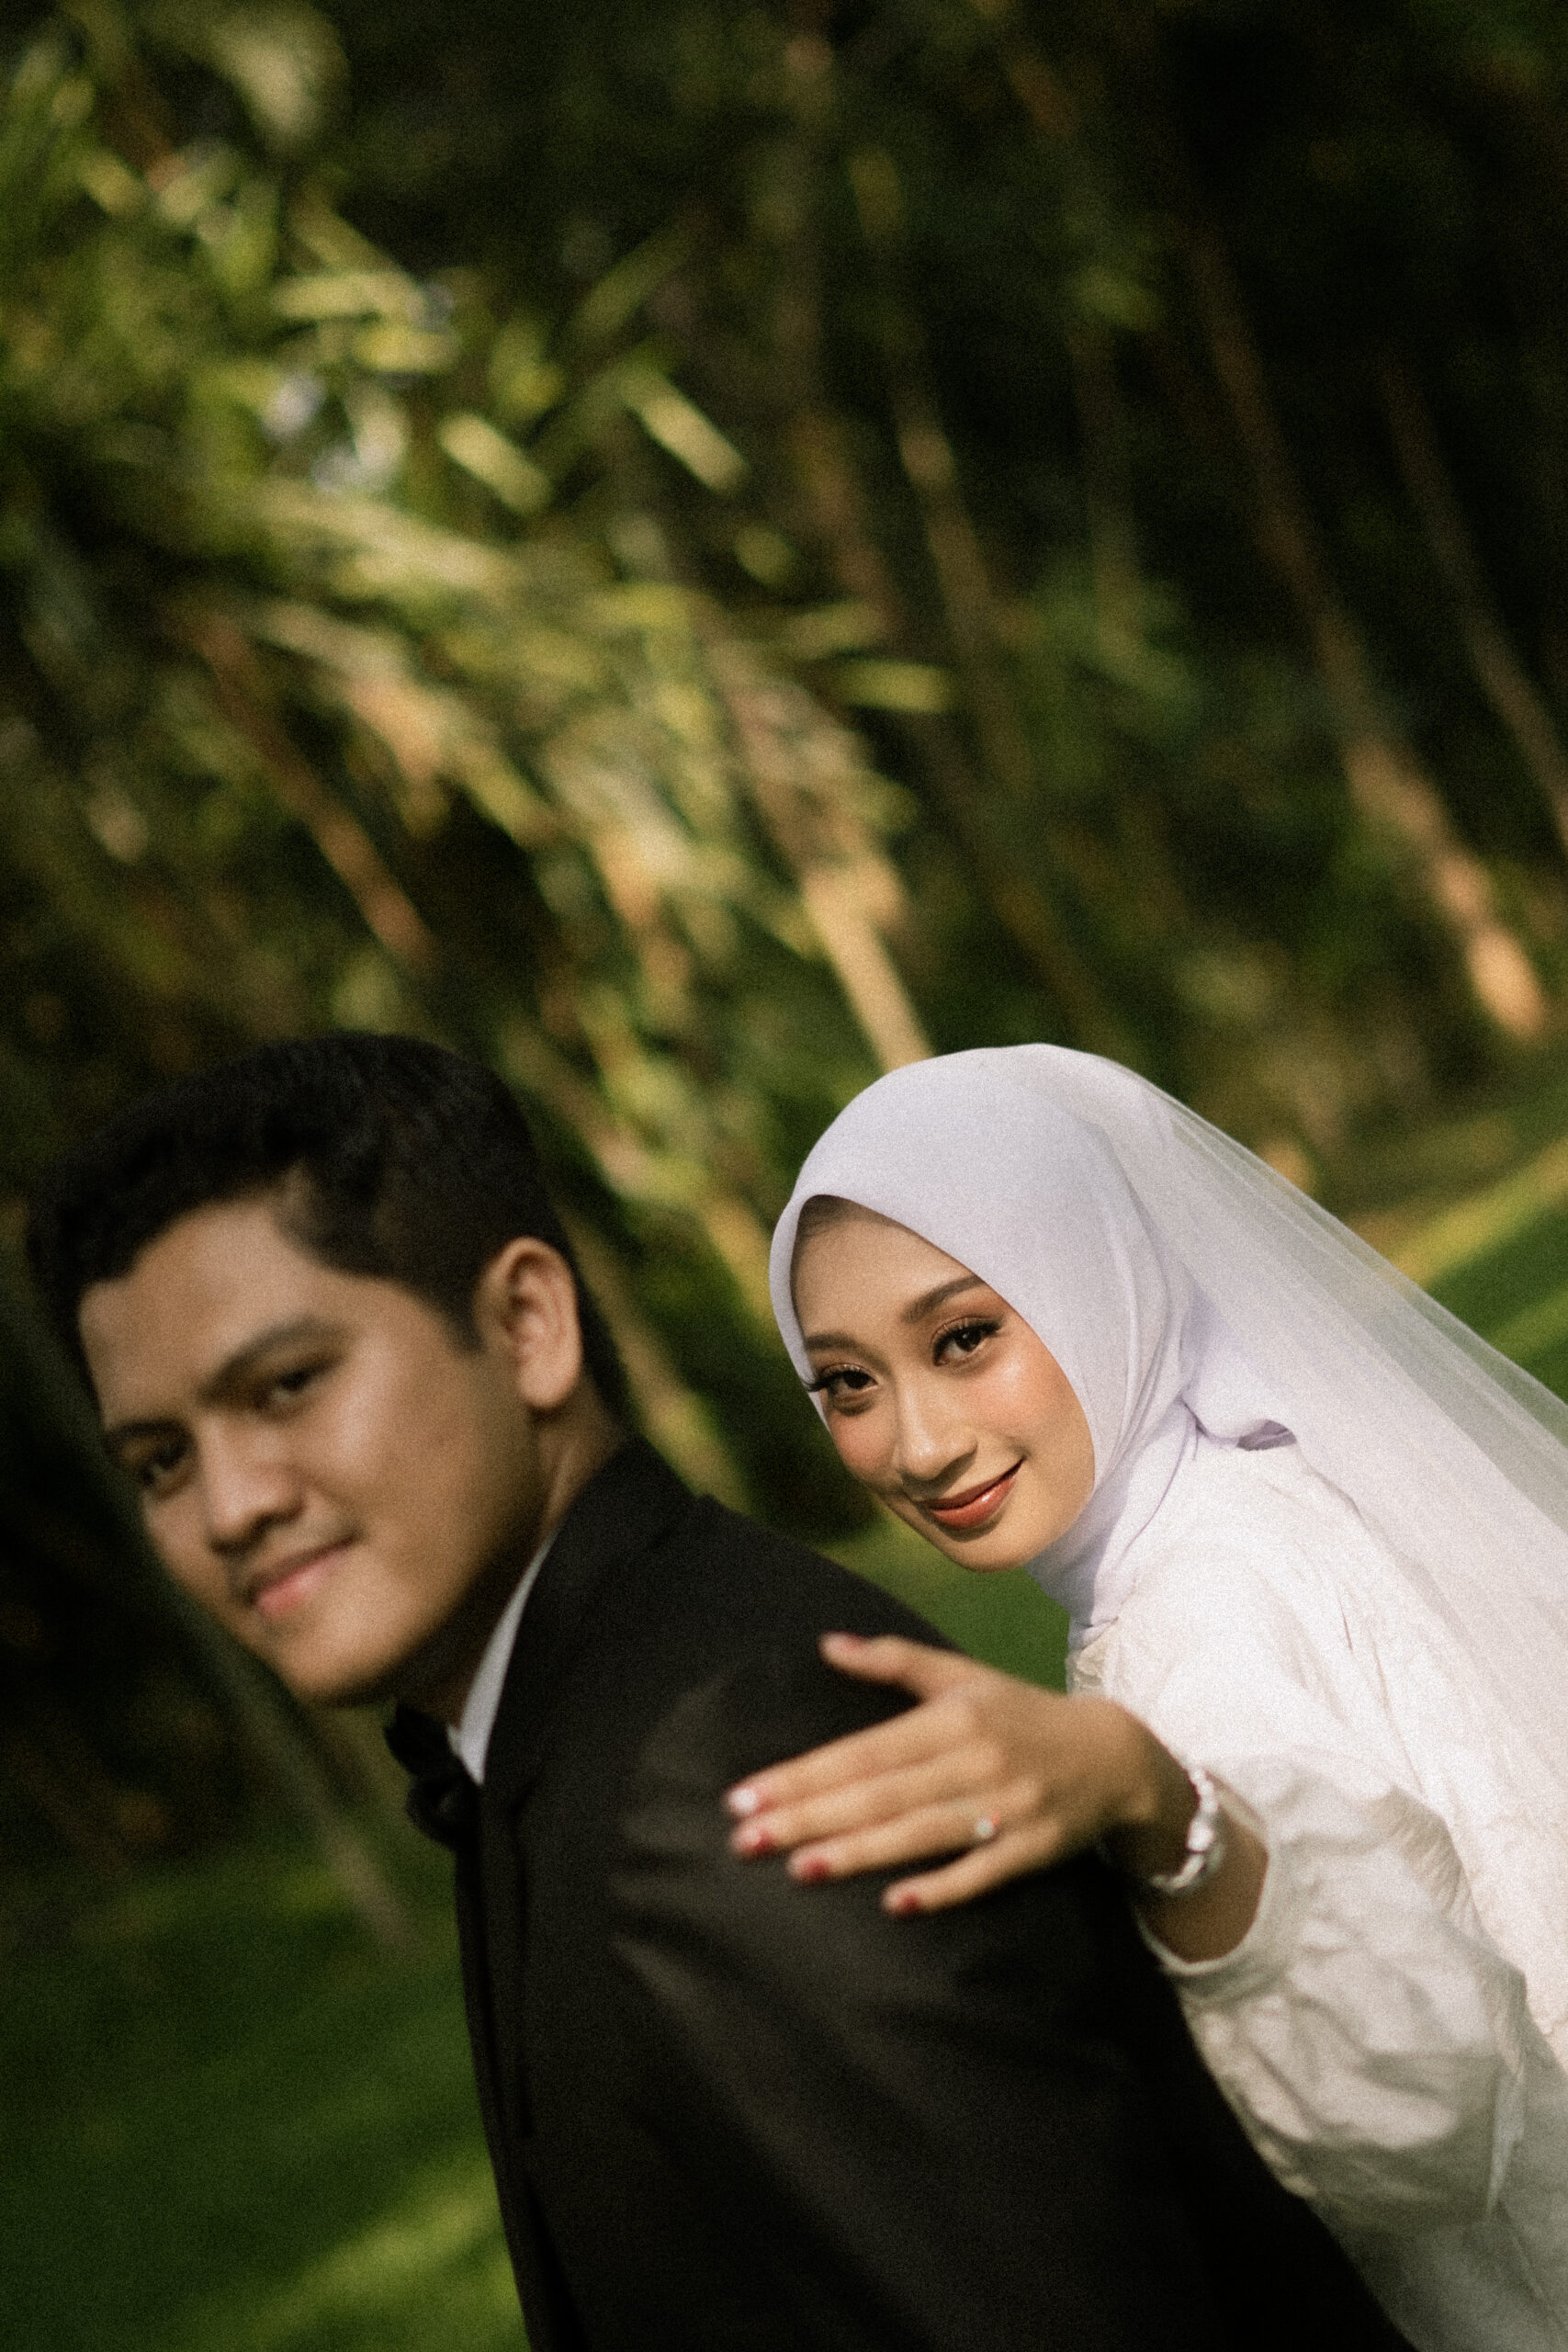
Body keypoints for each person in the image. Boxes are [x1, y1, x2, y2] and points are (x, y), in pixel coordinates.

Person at [25, 1032, 1411, 2352]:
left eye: (285, 1386)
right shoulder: (553, 1723)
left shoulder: (733, 1767)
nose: (231, 1505)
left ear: (527, 1325)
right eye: (160, 1461)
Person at [737, 1043, 1568, 2352]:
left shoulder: (1196, 1635)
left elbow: (1427, 2120)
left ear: (1095, 1278)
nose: (920, 1444)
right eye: (848, 1383)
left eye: (965, 1338)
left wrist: (1170, 1820)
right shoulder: (1271, 1485)